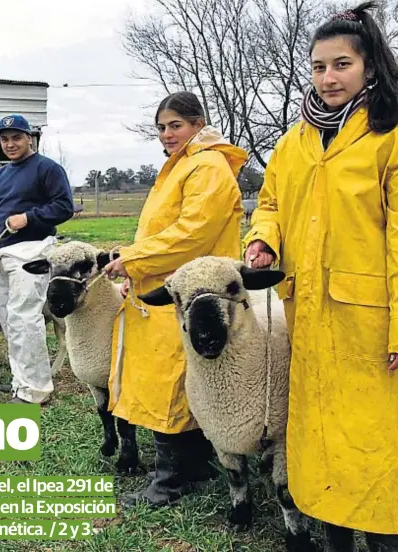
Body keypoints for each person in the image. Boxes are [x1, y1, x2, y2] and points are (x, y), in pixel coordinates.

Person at [243, 4, 398, 550]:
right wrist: (263, 237)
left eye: (341, 64)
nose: (327, 77)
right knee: (319, 439)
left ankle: (386, 541)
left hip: (374, 322)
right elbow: (271, 201)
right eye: (319, 66)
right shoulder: (294, 141)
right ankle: (334, 536)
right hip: (310, 316)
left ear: (369, 68)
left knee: (373, 443)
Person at [102, 91, 247, 508]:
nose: (167, 134)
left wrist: (134, 258)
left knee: (168, 377)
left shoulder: (208, 167)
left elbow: (192, 233)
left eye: (175, 125)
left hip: (188, 290)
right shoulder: (184, 164)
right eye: (162, 127)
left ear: (198, 124)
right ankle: (196, 464)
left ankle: (169, 481)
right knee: (176, 376)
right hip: (166, 283)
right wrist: (135, 261)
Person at [0, 114, 74, 404]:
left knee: (25, 319)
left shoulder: (47, 169)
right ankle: (20, 381)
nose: (10, 144)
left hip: (33, 252)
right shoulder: (1, 175)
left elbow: (64, 207)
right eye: (4, 139)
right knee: (8, 320)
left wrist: (29, 217)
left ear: (30, 138)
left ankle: (36, 390)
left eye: (16, 137)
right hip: (2, 254)